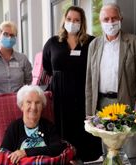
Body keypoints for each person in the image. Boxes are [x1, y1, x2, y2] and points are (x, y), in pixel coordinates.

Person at [85, 3, 136, 158]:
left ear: (120, 18)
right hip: (102, 107)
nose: (110, 22)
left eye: (114, 18)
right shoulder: (93, 45)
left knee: (130, 153)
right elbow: (89, 82)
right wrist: (89, 112)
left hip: (128, 106)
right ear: (101, 22)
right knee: (109, 153)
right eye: (106, 19)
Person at [43, 6, 102, 162]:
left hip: (82, 94)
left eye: (76, 20)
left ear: (82, 22)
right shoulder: (53, 42)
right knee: (61, 131)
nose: (72, 22)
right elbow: (47, 67)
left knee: (82, 130)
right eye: (69, 19)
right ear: (64, 20)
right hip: (59, 96)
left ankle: (83, 158)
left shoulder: (91, 42)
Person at [0, 21, 32, 131]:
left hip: (19, 108)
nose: (9, 38)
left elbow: (28, 81)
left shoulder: (22, 59)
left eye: (12, 35)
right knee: (2, 145)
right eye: (6, 34)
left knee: (19, 144)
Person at [0, 85, 73, 164]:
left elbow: (57, 148)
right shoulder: (14, 128)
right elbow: (3, 154)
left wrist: (26, 152)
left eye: (37, 103)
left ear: (42, 106)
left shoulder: (48, 126)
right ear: (21, 106)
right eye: (29, 102)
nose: (33, 107)